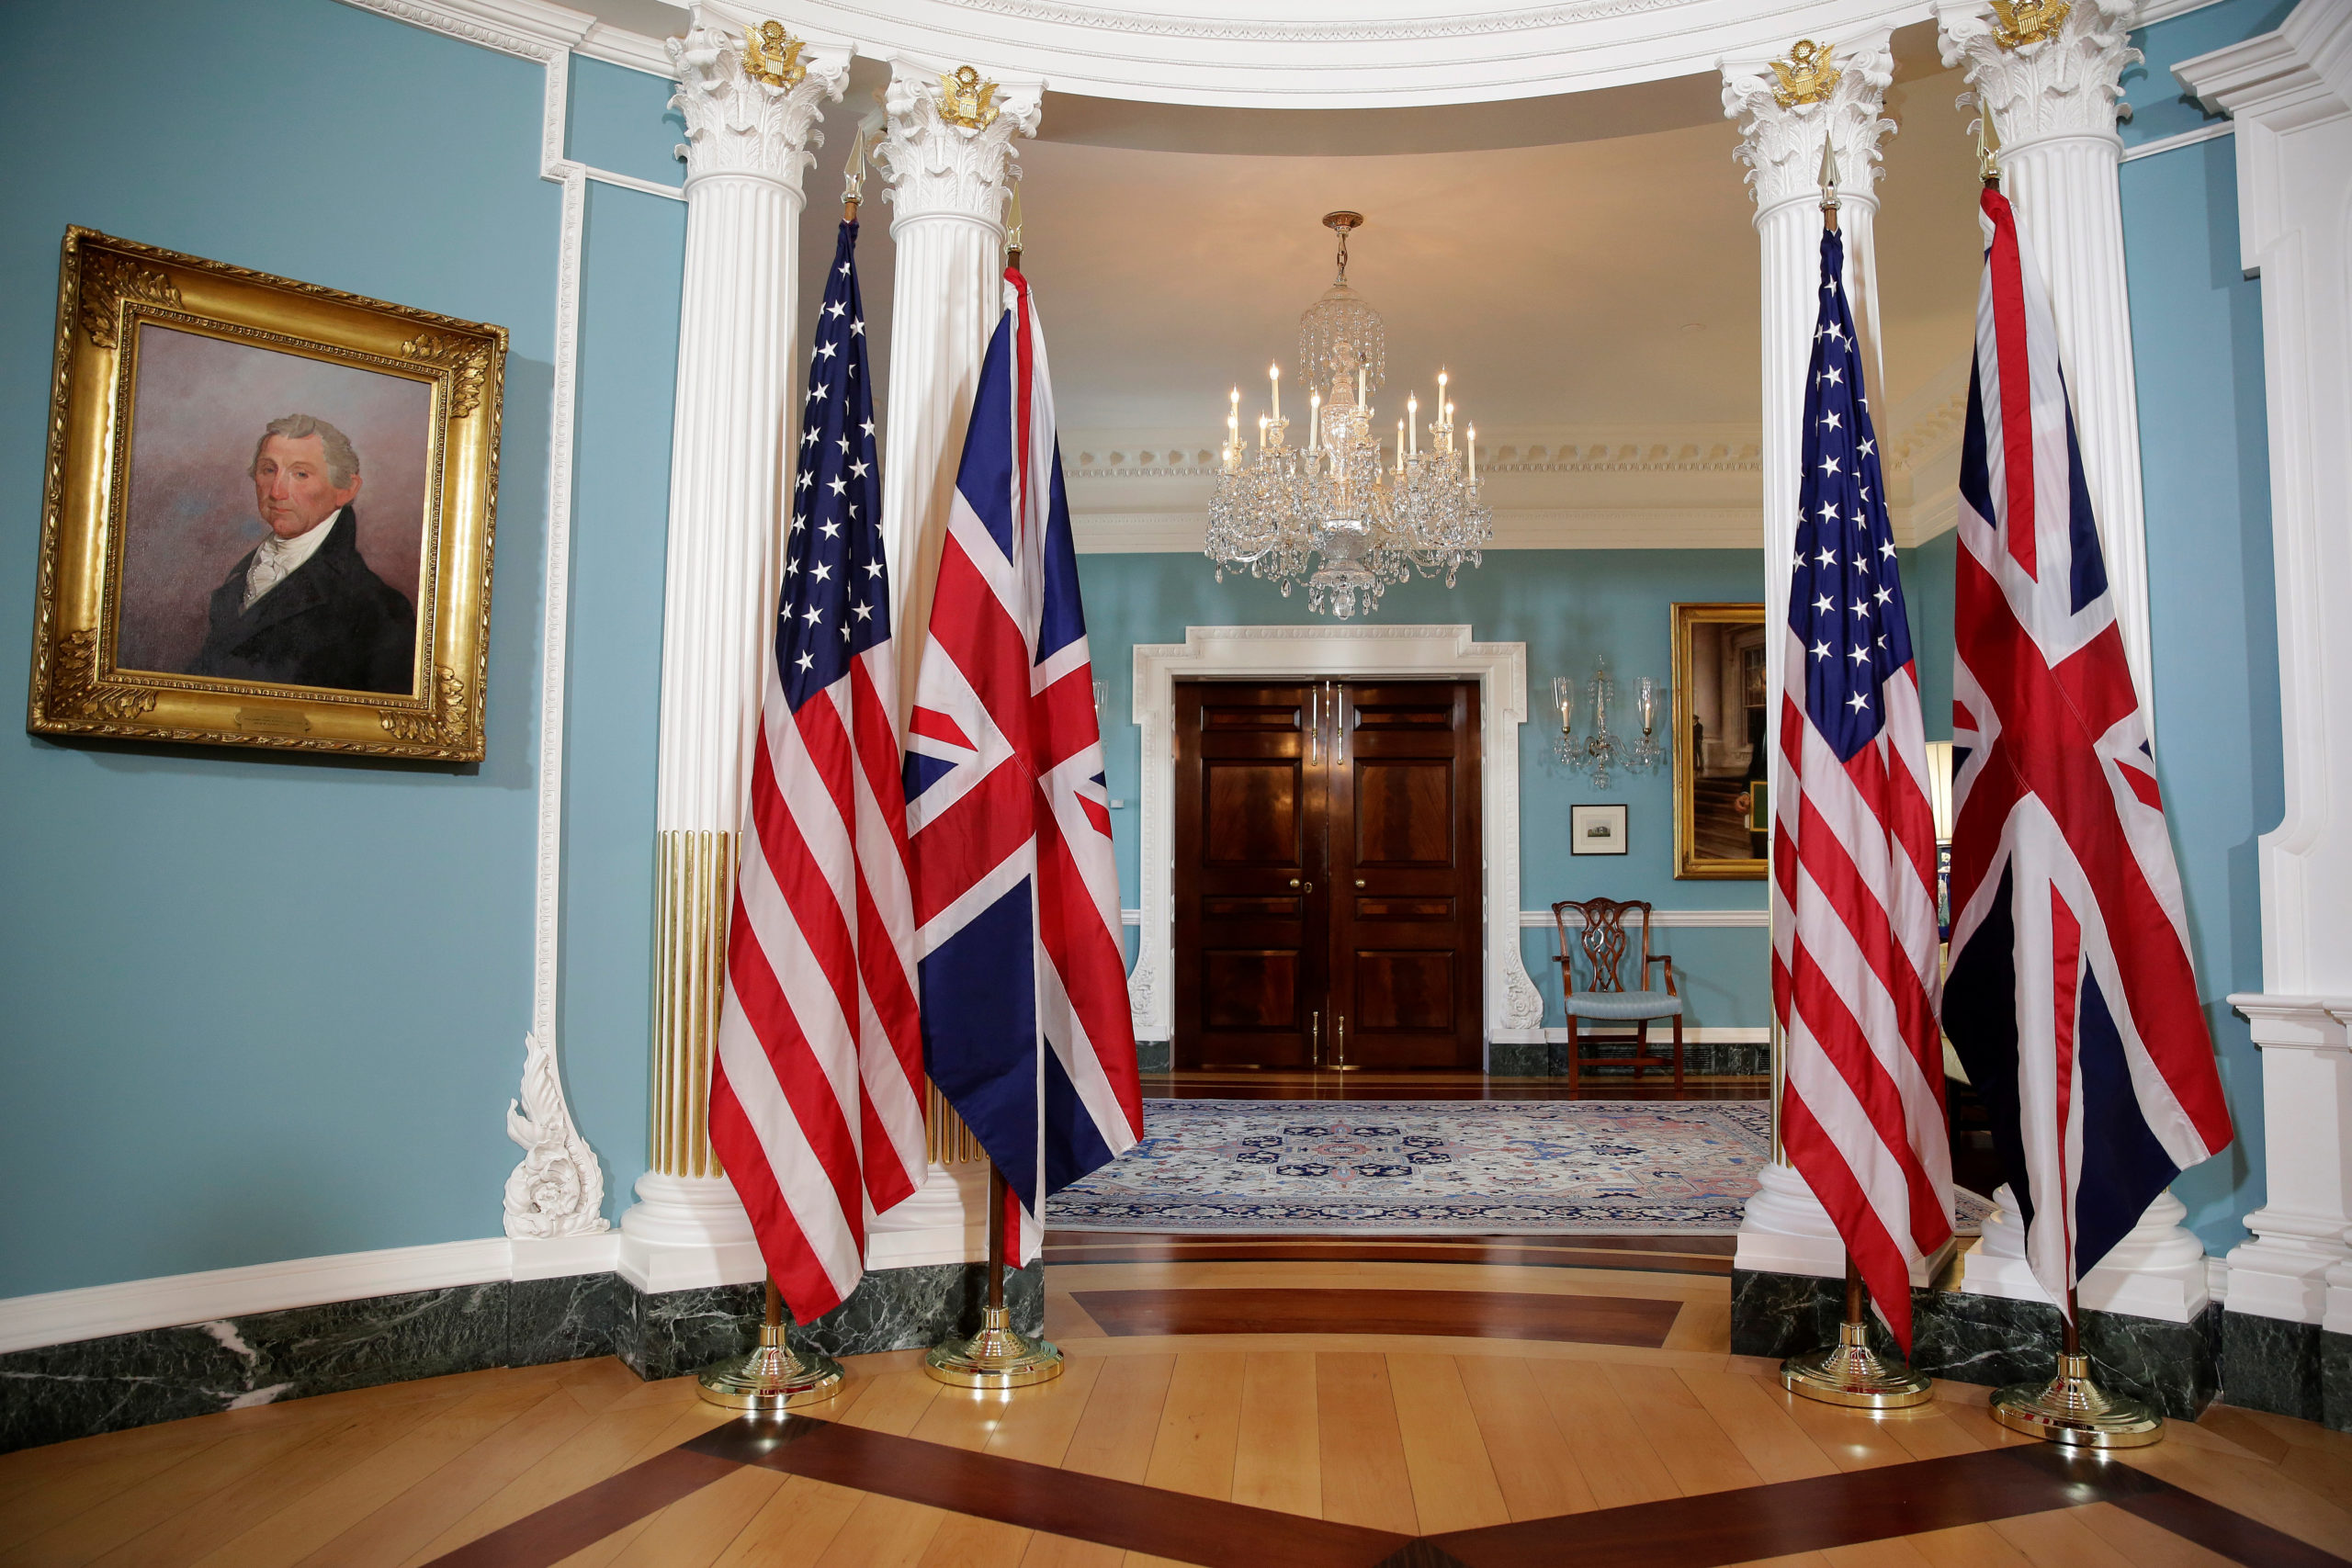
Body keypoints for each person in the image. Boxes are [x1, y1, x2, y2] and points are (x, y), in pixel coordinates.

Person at [187, 413, 415, 694]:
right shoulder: (240, 579)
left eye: (301, 474)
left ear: (346, 490)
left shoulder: (380, 609)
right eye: (268, 470)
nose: (277, 492)